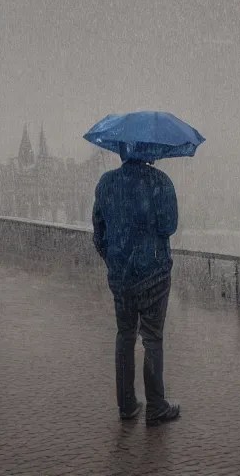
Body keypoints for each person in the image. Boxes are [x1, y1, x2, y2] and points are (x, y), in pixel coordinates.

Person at [92, 146, 181, 426]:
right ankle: (156, 406)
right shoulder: (160, 182)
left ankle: (127, 404)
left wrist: (113, 258)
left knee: (125, 335)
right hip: (153, 272)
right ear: (150, 152)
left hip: (121, 277)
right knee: (152, 338)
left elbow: (99, 230)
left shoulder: (107, 182)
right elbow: (169, 226)